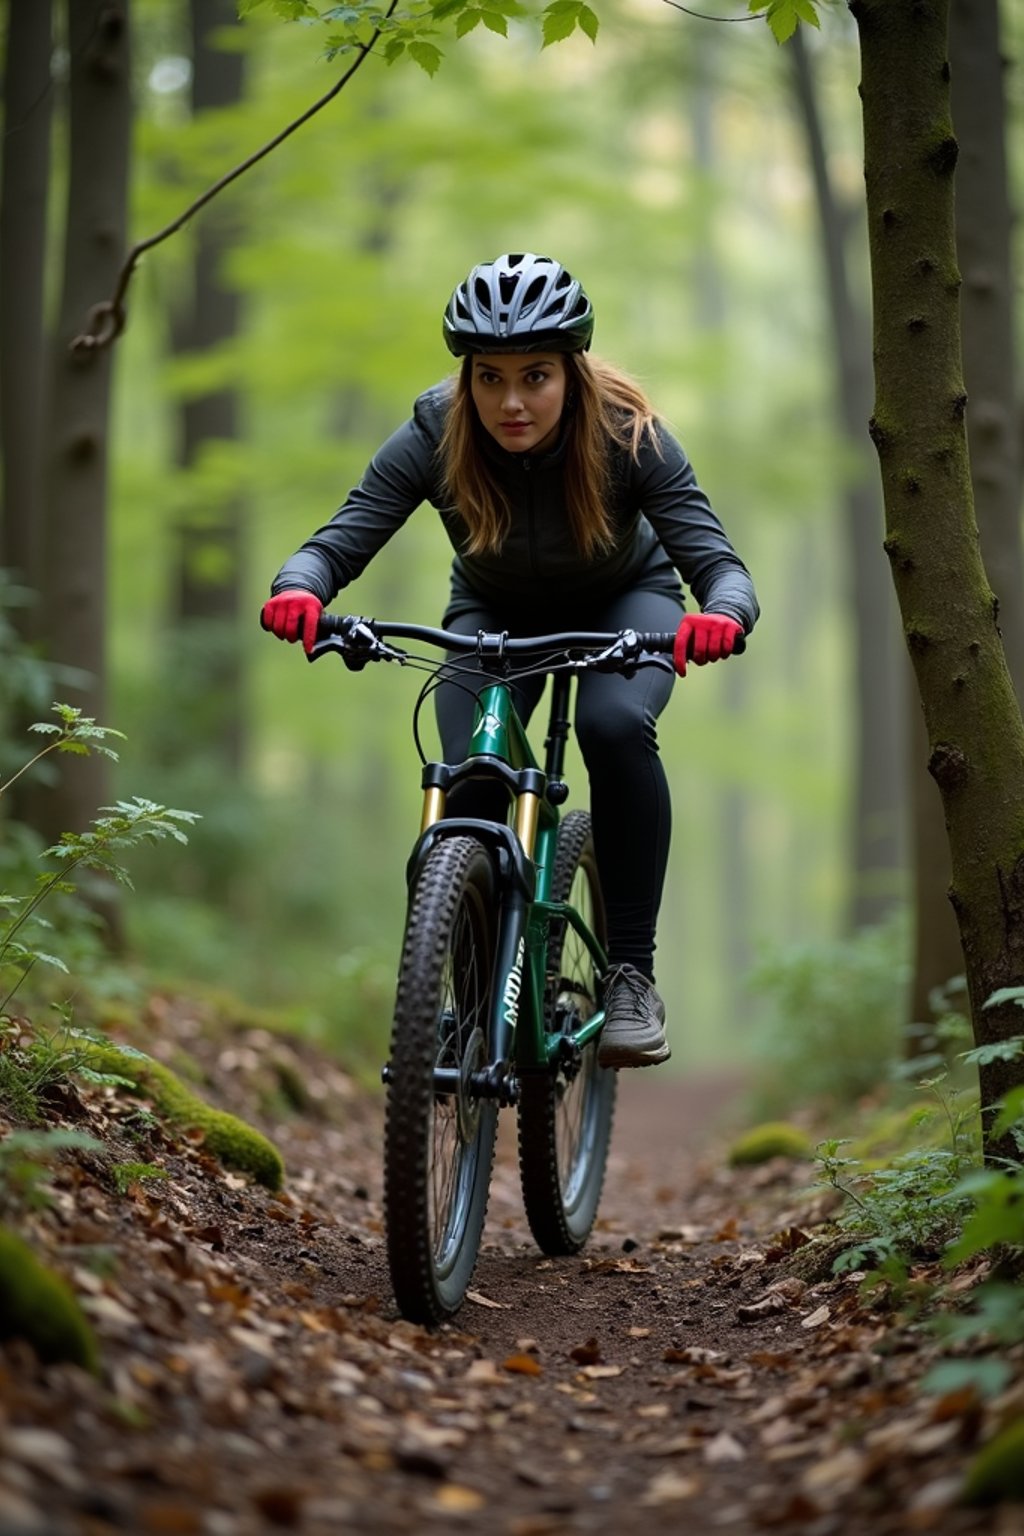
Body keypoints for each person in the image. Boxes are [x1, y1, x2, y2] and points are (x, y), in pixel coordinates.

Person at [262, 252, 758, 1069]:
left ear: (571, 370)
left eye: (534, 376)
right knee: (470, 775)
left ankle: (631, 975)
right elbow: (343, 535)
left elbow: (719, 563)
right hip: (492, 614)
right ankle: (460, 994)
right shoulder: (436, 429)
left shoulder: (628, 432)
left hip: (624, 605)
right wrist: (300, 588)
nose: (511, 402)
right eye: (489, 378)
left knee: (613, 722)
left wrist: (722, 613)